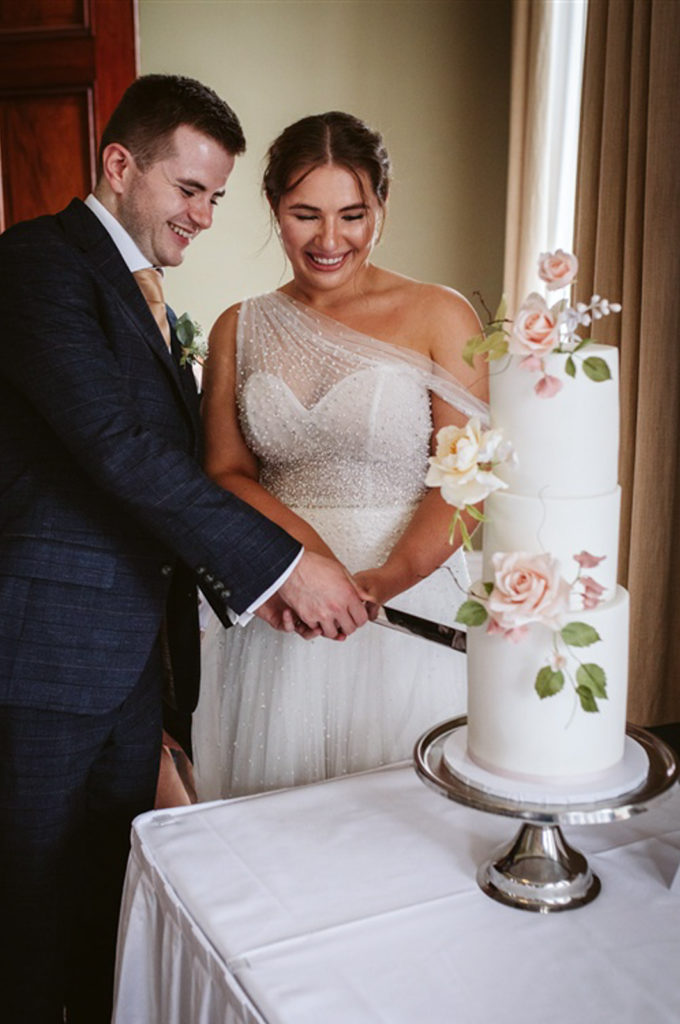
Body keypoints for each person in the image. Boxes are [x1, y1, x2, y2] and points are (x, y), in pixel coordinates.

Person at [0, 79, 369, 1024]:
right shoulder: (36, 265)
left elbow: (166, 480)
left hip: (132, 669)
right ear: (119, 166)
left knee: (106, 900)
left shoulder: (151, 301)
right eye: (189, 189)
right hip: (42, 662)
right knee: (27, 915)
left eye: (215, 196)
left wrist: (248, 591)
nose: (205, 215)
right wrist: (283, 566)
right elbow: (115, 451)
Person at [193, 111, 489, 800]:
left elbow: (466, 482)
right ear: (273, 209)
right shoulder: (239, 326)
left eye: (353, 214)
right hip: (284, 604)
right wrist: (306, 567)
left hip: (408, 599)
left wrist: (380, 583)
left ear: (382, 206)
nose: (330, 240)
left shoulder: (439, 315)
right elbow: (226, 471)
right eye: (305, 214)